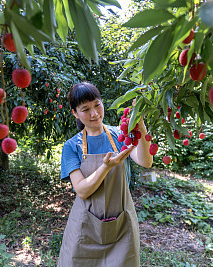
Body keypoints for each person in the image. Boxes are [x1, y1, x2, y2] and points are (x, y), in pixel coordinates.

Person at [58, 82, 153, 266]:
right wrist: (107, 167)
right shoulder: (71, 146)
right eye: (85, 109)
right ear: (75, 113)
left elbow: (145, 161)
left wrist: (139, 124)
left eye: (97, 105)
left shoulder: (119, 135)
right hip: (85, 228)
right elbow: (82, 190)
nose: (94, 114)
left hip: (121, 225)